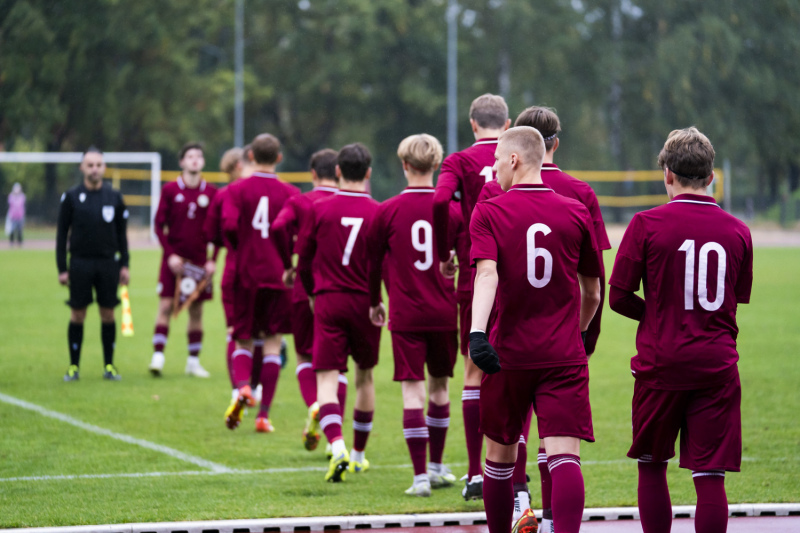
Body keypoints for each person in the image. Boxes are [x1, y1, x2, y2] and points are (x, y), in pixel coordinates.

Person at [609, 127, 753, 533]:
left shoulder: (646, 223)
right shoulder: (738, 231)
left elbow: (618, 295)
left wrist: (658, 315)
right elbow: (736, 298)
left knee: (652, 465)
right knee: (710, 476)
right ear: (710, 177)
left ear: (667, 174)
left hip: (662, 363)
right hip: (716, 365)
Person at [469, 127, 601, 533]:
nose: (492, 171)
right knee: (564, 458)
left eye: (495, 162)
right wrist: (575, 336)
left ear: (514, 160)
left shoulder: (489, 211)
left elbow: (487, 274)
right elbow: (593, 293)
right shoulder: (576, 210)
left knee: (500, 459)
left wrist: (477, 333)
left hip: (508, 353)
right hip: (563, 353)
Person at [505, 105, 612, 530]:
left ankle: (518, 501)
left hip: (511, 329)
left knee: (512, 424)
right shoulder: (579, 191)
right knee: (560, 435)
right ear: (556, 143)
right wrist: (589, 332)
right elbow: (594, 276)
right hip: (564, 327)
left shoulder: (503, 188)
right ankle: (551, 520)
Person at [367, 134, 459, 496]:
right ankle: (436, 466)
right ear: (436, 165)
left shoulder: (385, 211)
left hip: (405, 315)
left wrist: (375, 300)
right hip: (443, 312)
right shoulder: (452, 211)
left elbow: (373, 265)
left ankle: (420, 476)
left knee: (412, 392)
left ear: (404, 165)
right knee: (439, 387)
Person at [432, 93, 511, 500]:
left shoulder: (458, 161)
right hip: (518, 279)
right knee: (519, 369)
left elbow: (440, 199)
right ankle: (514, 471)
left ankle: (474, 473)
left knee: (473, 371)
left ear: (472, 123)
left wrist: (446, 248)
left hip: (475, 274)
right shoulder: (519, 156)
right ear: (507, 121)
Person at [293, 143, 381, 482]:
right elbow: (379, 264)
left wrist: (312, 292)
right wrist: (377, 301)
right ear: (369, 174)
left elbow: (304, 260)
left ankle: (337, 446)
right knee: (364, 377)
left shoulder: (320, 210)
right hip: (364, 301)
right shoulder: (378, 210)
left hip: (329, 300)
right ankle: (358, 455)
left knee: (326, 380)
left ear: (339, 172)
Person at [221, 133, 299, 432]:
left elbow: (228, 225)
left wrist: (240, 248)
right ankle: (264, 416)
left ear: (250, 156)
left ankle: (242, 387)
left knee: (242, 336)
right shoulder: (291, 192)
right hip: (278, 276)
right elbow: (293, 232)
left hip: (246, 274)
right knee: (272, 343)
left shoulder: (236, 190)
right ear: (279, 158)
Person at [272, 148, 345, 450]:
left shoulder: (300, 201)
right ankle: (334, 438)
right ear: (338, 172)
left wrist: (288, 261)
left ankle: (315, 405)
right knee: (337, 366)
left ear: (313, 174)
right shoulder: (346, 202)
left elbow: (277, 227)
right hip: (339, 289)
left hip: (305, 289)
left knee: (304, 356)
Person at [56, 147, 130, 381]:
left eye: (98, 164)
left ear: (104, 167)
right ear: (82, 168)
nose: (94, 169)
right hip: (79, 263)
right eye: (90, 165)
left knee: (108, 314)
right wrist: (62, 268)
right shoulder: (71, 197)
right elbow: (61, 235)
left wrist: (125, 264)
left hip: (108, 263)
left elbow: (122, 234)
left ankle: (109, 366)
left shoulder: (114, 197)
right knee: (78, 314)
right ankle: (73, 367)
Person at [150, 142, 217, 378]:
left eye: (199, 156)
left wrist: (213, 260)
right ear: (182, 162)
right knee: (166, 305)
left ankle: (193, 361)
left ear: (203, 162)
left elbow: (217, 231)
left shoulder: (211, 192)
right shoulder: (170, 190)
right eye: (190, 156)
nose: (195, 160)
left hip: (199, 262)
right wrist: (170, 255)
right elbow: (159, 226)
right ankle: (158, 356)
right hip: (174, 261)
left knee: (196, 311)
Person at [203, 146, 246, 395]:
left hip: (233, 269)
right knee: (260, 334)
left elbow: (212, 234)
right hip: (260, 268)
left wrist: (213, 257)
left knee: (235, 331)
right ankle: (255, 388)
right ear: (240, 166)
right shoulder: (247, 193)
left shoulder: (221, 195)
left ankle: (237, 389)